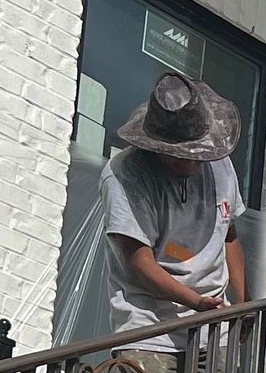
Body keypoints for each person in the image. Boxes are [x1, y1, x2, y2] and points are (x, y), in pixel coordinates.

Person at [101, 69, 247, 339]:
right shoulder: (125, 173)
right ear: (157, 146)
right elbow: (138, 262)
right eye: (179, 155)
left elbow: (229, 236)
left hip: (215, 327)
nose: (191, 161)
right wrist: (195, 302)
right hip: (148, 328)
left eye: (197, 154)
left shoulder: (220, 164)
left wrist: (241, 303)